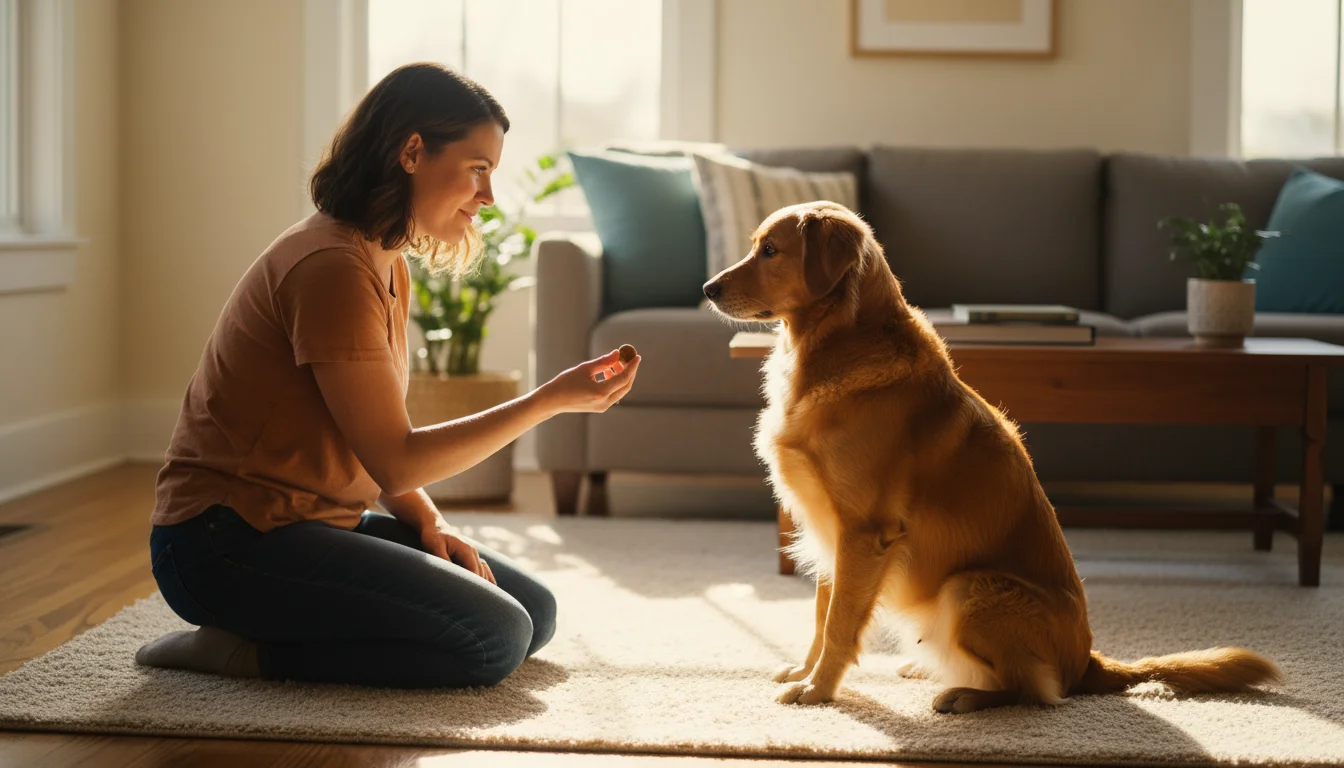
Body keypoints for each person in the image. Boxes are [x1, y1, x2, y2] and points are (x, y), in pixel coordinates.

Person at [134, 63, 640, 689]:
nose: (487, 197)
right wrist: (548, 401)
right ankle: (241, 654)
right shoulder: (331, 268)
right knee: (495, 638)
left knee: (534, 613)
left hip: (312, 522)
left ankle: (281, 629)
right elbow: (397, 461)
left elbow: (371, 444)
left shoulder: (383, 259)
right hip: (223, 544)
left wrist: (429, 521)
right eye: (478, 169)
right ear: (411, 151)